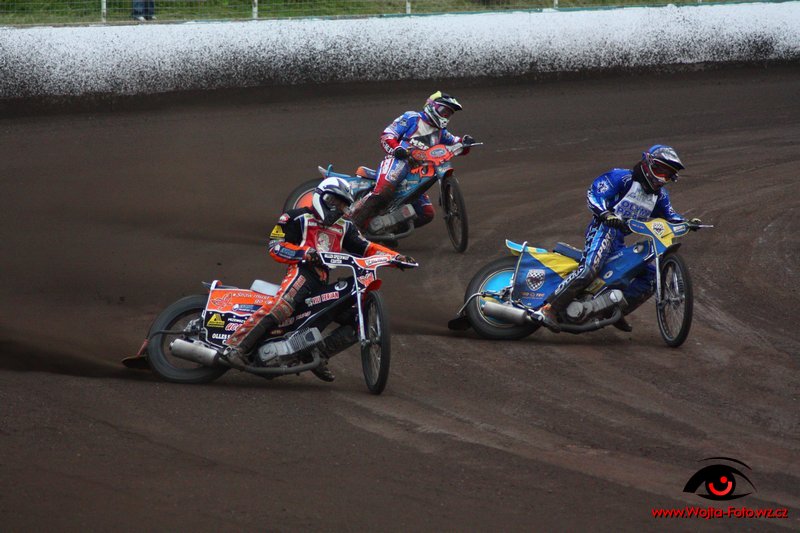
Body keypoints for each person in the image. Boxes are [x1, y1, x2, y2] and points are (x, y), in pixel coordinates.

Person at [223, 177, 413, 381]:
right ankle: (236, 347)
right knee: (283, 305)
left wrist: (397, 258)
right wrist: (305, 253)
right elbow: (275, 246)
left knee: (360, 318)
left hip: (322, 281)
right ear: (321, 196)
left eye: (342, 205)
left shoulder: (345, 227)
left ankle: (319, 354)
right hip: (302, 272)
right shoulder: (296, 217)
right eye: (334, 201)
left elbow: (368, 248)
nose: (337, 208)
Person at [533, 145, 702, 333]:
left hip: (619, 239)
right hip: (602, 229)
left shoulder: (660, 196)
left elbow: (671, 216)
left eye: (668, 174)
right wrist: (605, 214)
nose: (662, 178)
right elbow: (594, 194)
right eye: (660, 171)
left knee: (652, 277)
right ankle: (549, 308)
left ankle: (611, 309)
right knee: (590, 268)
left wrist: (687, 223)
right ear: (648, 164)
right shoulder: (621, 178)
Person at [348, 91, 474, 230]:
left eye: (449, 114)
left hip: (418, 172)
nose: (445, 116)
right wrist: (397, 149)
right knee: (383, 191)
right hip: (400, 160)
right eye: (443, 111)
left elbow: (456, 143)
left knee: (426, 214)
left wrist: (466, 142)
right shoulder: (412, 118)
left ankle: (387, 232)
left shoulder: (441, 132)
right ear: (432, 106)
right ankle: (352, 224)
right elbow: (387, 135)